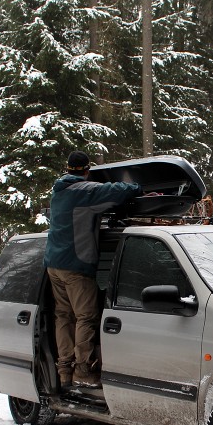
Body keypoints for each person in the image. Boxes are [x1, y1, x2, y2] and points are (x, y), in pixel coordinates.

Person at [44, 150, 143, 389]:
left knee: (63, 316)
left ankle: (64, 371)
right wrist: (137, 187)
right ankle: (84, 372)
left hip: (54, 265)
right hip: (76, 266)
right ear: (87, 170)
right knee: (86, 317)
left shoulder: (59, 192)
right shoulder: (84, 191)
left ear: (68, 169)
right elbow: (118, 191)